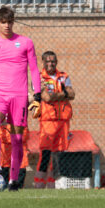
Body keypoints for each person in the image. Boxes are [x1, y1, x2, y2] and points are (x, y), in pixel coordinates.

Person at [0, 6, 41, 191]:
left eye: (9, 22)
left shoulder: (26, 42)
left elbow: (34, 69)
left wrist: (37, 97)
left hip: (19, 97)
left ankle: (13, 180)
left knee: (16, 139)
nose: (7, 26)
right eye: (3, 22)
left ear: (13, 22)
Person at [33, 51, 75, 189]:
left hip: (63, 121)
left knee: (58, 154)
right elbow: (46, 97)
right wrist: (64, 94)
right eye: (47, 61)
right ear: (43, 62)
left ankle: (52, 186)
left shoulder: (63, 76)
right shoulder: (38, 78)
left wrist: (57, 95)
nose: (50, 64)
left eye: (53, 61)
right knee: (45, 154)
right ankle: (39, 186)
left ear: (56, 62)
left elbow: (72, 94)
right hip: (48, 121)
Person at [0, 123, 29, 189]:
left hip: (19, 134)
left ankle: (18, 186)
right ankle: (5, 186)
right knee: (5, 164)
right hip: (6, 136)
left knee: (21, 163)